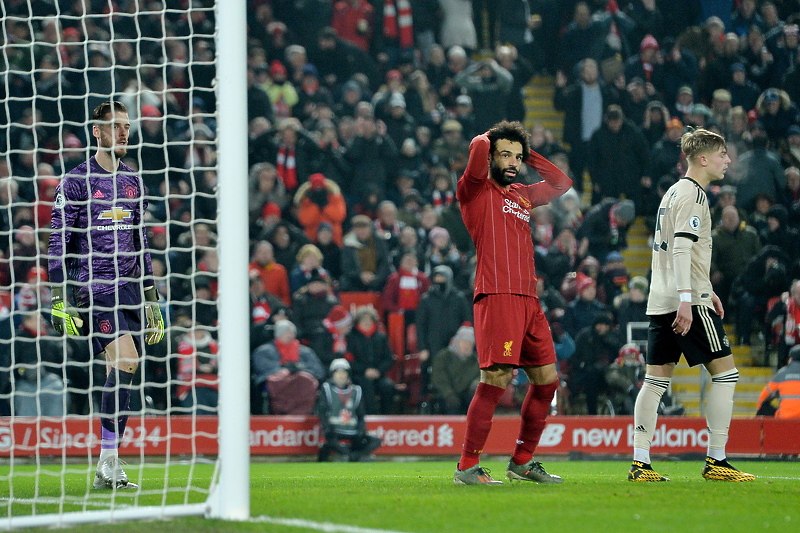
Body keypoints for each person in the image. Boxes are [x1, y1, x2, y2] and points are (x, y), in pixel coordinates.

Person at [47, 101, 165, 490]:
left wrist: (151, 295)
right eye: (115, 126)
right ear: (96, 132)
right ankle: (110, 462)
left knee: (124, 370)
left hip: (130, 287)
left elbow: (140, 240)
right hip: (94, 287)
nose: (124, 132)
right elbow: (58, 241)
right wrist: (59, 296)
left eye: (127, 126)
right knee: (126, 360)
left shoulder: (133, 180)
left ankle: (107, 464)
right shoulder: (76, 181)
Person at [630, 128, 754, 482]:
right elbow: (682, 248)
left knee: (654, 382)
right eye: (722, 155)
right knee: (727, 375)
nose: (727, 161)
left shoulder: (672, 192)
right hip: (686, 302)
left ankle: (641, 463)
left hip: (662, 298)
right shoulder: (695, 196)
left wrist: (703, 287)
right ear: (703, 159)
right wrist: (690, 298)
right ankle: (717, 460)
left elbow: (674, 252)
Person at [453, 120, 571, 485]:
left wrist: (525, 149)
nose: (513, 162)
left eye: (517, 158)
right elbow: (476, 146)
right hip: (498, 295)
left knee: (547, 381)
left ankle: (521, 461)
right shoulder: (474, 190)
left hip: (528, 300)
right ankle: (467, 466)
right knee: (497, 378)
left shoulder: (521, 193)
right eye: (505, 155)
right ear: (489, 157)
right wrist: (492, 141)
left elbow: (561, 184)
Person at [316, 358, 383, 462]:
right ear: (332, 374)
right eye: (338, 373)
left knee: (376, 441)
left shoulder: (356, 391)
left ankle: (354, 456)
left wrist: (361, 429)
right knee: (330, 442)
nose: (341, 375)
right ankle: (351, 456)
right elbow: (322, 412)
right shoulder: (327, 389)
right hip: (334, 430)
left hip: (352, 430)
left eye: (344, 373)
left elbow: (360, 414)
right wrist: (327, 429)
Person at [429, 326, 480, 415]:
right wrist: (449, 394)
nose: (466, 346)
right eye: (464, 342)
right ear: (456, 342)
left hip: (467, 395)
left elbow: (481, 377)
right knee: (452, 404)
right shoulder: (443, 357)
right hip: (445, 395)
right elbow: (439, 379)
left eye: (469, 343)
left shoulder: (476, 360)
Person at [756, 345, 800, 419]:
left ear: (790, 359)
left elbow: (762, 399)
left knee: (763, 407)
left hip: (784, 419)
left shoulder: (782, 374)